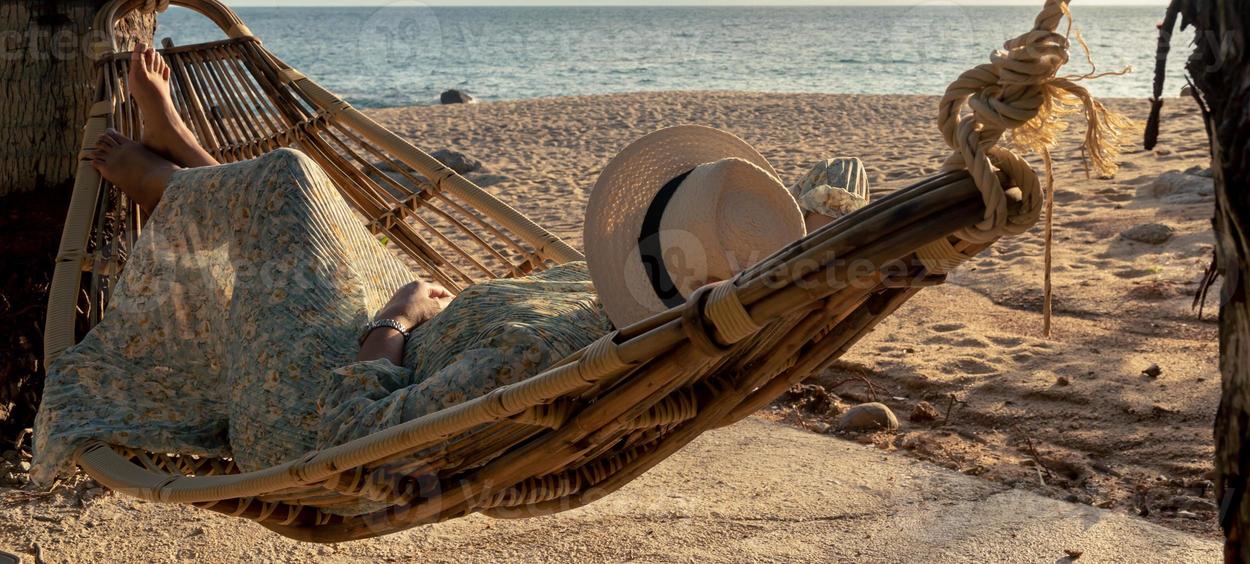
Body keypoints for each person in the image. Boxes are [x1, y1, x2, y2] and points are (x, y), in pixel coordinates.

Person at [32, 49, 871, 500]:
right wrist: (812, 214)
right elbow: (794, 235)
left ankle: (173, 181)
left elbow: (363, 429)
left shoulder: (554, 361)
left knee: (292, 176)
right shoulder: (645, 308)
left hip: (307, 416)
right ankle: (198, 167)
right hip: (363, 341)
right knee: (309, 220)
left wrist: (397, 318)